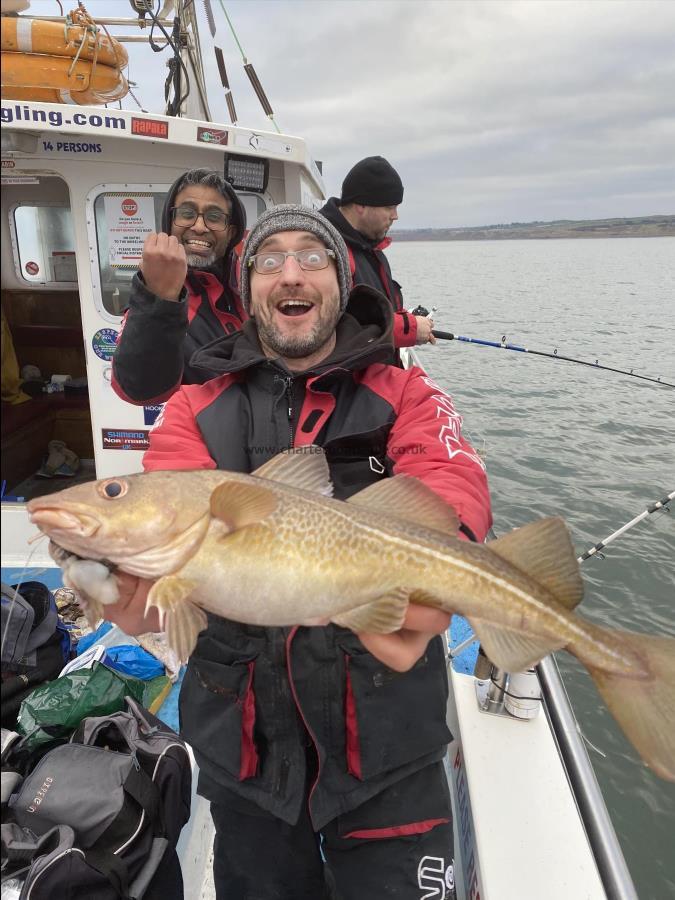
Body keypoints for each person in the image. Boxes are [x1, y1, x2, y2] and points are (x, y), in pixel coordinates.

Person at [103, 205, 492, 899]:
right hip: (243, 752)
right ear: (247, 287)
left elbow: (450, 477)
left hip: (387, 747)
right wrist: (149, 594)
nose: (290, 272)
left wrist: (442, 567)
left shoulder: (405, 390)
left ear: (341, 282)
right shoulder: (196, 403)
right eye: (268, 259)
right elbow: (166, 526)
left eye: (312, 257)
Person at [112, 168, 246, 404]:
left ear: (231, 231)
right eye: (186, 213)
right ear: (170, 222)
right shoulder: (151, 295)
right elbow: (137, 389)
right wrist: (159, 297)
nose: (199, 226)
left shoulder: (252, 285)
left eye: (214, 217)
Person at [320, 155, 436, 349]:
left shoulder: (371, 250)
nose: (395, 216)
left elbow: (371, 312)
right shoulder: (326, 248)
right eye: (389, 207)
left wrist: (408, 319)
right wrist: (409, 328)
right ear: (361, 205)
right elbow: (332, 326)